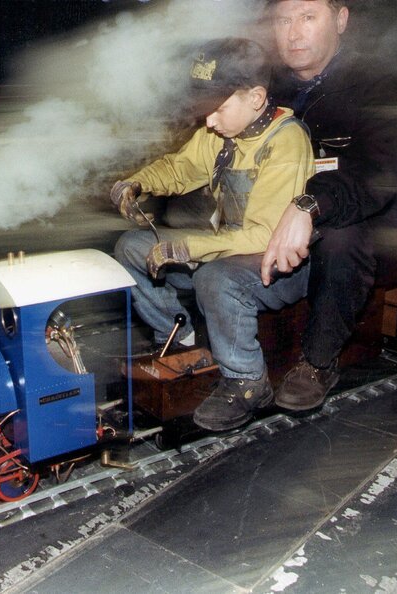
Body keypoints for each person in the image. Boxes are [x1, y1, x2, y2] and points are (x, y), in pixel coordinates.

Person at [111, 37, 315, 431]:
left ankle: (246, 380)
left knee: (213, 276)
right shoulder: (223, 133)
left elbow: (264, 236)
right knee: (131, 247)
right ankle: (180, 337)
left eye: (218, 108)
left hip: (280, 267)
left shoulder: (286, 141)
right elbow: (180, 168)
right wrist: (138, 183)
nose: (209, 120)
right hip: (227, 251)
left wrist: (189, 247)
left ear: (256, 98)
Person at [255, 0, 397, 413]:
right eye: (283, 20)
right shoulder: (267, 86)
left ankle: (318, 361)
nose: (293, 33)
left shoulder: (381, 82)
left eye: (308, 17)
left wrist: (308, 204)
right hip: (287, 213)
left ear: (341, 20)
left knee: (342, 238)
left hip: (376, 225)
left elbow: (378, 175)